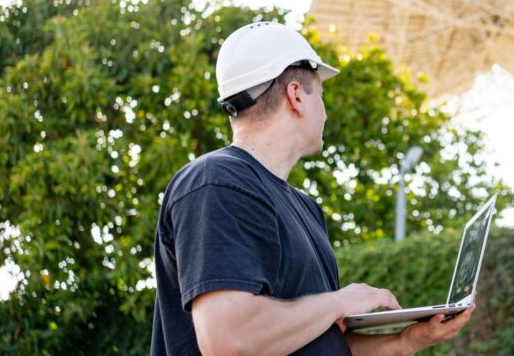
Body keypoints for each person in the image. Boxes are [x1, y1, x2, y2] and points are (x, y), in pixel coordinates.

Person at [150, 21, 475, 355]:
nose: (325, 112)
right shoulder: (215, 182)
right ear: (296, 96)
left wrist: (409, 340)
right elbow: (230, 340)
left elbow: (315, 342)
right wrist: (340, 301)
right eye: (320, 95)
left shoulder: (304, 208)